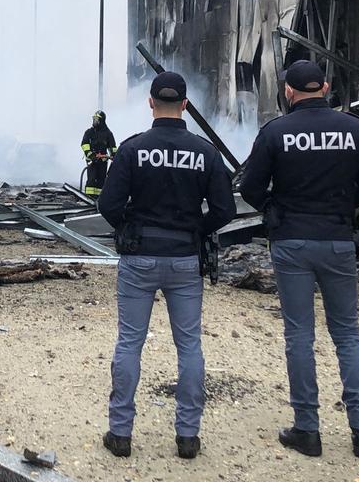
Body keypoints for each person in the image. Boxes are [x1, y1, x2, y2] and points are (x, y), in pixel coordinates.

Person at [238, 60, 359, 460]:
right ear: (325, 86)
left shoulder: (276, 132)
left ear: (288, 92)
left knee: (299, 337)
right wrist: (341, 208)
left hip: (291, 242)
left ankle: (307, 429)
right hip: (338, 239)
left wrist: (276, 207)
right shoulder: (355, 129)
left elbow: (250, 186)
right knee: (348, 335)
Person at [96, 72, 236, 460]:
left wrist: (130, 226)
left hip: (139, 258)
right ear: (186, 105)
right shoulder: (205, 152)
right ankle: (188, 437)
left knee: (129, 343)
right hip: (185, 260)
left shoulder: (133, 148)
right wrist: (195, 230)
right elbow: (225, 210)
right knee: (189, 346)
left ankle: (120, 433)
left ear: (151, 103)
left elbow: (107, 205)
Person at [81, 111, 116, 197]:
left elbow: (112, 147)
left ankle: (99, 200)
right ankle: (89, 198)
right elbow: (84, 144)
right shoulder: (89, 132)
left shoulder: (108, 133)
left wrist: (114, 155)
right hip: (92, 161)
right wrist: (91, 155)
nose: (94, 121)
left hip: (103, 161)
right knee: (91, 181)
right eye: (94, 119)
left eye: (97, 120)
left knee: (101, 180)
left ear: (102, 121)